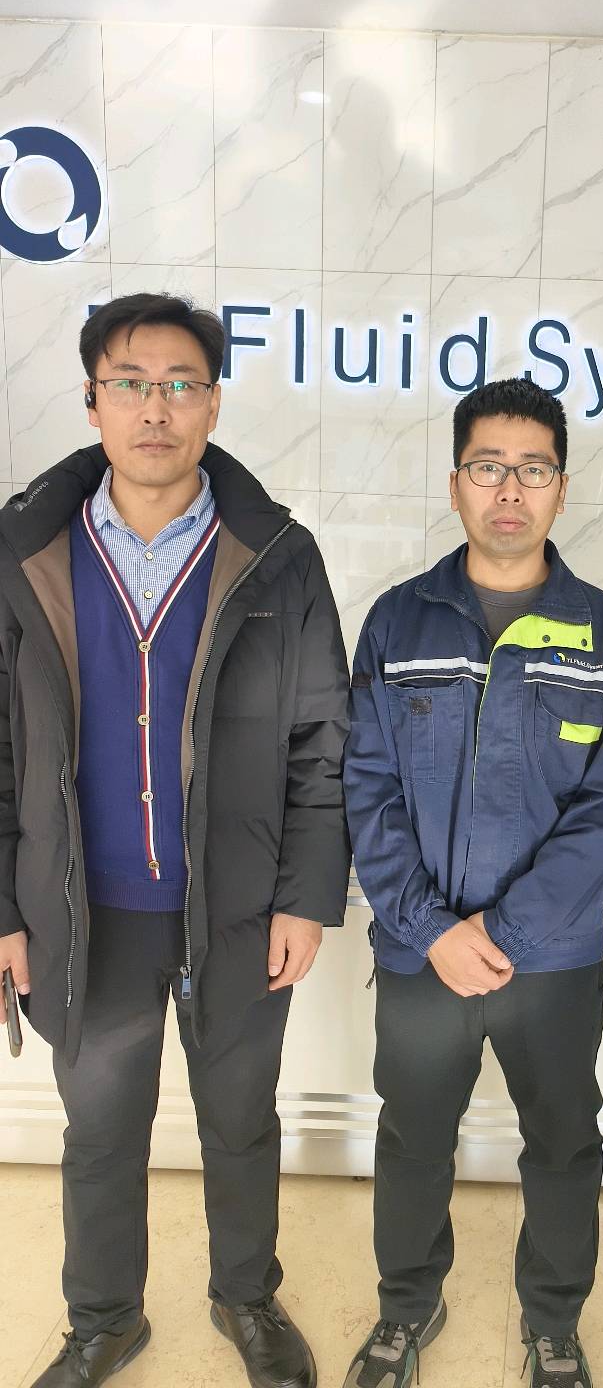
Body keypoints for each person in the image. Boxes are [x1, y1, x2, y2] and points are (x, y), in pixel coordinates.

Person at [0, 293, 351, 1388]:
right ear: (93, 400)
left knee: (240, 1121)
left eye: (180, 385)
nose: (155, 408)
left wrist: (307, 895)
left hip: (237, 906)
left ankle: (246, 1298)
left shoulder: (277, 558)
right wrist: (3, 908)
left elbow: (324, 738)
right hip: (81, 911)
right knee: (100, 1131)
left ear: (213, 403)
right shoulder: (24, 554)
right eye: (131, 384)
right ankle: (104, 1318)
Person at [343, 377, 603, 1388]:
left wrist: (505, 932)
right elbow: (366, 787)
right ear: (455, 484)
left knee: (561, 1142)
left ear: (562, 488)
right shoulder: (399, 622)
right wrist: (433, 928)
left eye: (532, 469)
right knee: (412, 1138)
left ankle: (552, 1323)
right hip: (420, 953)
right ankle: (406, 1308)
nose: (509, 489)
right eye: (488, 467)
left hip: (551, 960)